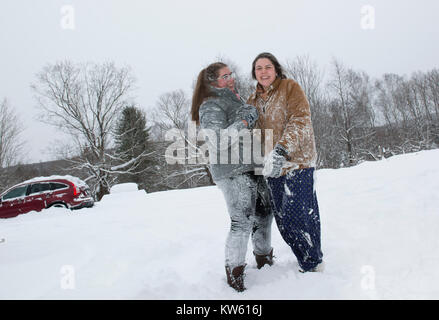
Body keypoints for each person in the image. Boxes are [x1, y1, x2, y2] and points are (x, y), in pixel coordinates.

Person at [191, 62, 274, 292]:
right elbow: (217, 141)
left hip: (251, 165)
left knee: (265, 214)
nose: (231, 78)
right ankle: (235, 275)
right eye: (224, 76)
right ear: (212, 82)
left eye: (231, 74)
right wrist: (245, 121)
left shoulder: (232, 98)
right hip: (232, 170)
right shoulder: (209, 105)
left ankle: (265, 261)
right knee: (242, 222)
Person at [247, 52, 324, 273]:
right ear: (255, 73)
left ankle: (312, 263)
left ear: (276, 69)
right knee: (283, 221)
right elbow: (253, 134)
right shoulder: (252, 100)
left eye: (267, 67)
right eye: (259, 68)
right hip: (272, 168)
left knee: (299, 214)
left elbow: (300, 120)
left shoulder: (290, 88)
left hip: (297, 162)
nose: (263, 72)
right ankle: (307, 259)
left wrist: (281, 149)